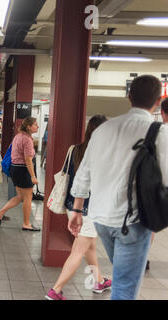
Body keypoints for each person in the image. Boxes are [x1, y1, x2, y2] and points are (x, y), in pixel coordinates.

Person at [68, 75, 168, 300]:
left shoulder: (103, 130)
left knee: (122, 274)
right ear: (158, 100)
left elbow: (84, 173)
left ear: (129, 96)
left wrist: (76, 210)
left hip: (101, 218)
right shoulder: (160, 133)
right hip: (132, 222)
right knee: (124, 287)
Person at [45, 115, 111, 301]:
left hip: (72, 207)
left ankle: (98, 281)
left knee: (90, 245)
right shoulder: (104, 154)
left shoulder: (75, 149)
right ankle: (56, 291)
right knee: (78, 250)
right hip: (89, 210)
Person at [0, 117, 40, 229]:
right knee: (28, 197)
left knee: (20, 196)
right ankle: (26, 224)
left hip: (15, 169)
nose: (37, 126)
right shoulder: (27, 140)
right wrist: (33, 176)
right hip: (23, 170)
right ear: (29, 127)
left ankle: (0, 213)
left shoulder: (18, 136)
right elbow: (28, 160)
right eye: (35, 124)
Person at [146, 98, 168, 270]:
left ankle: (143, 256)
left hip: (157, 190)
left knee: (150, 226)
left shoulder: (156, 132)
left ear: (162, 113)